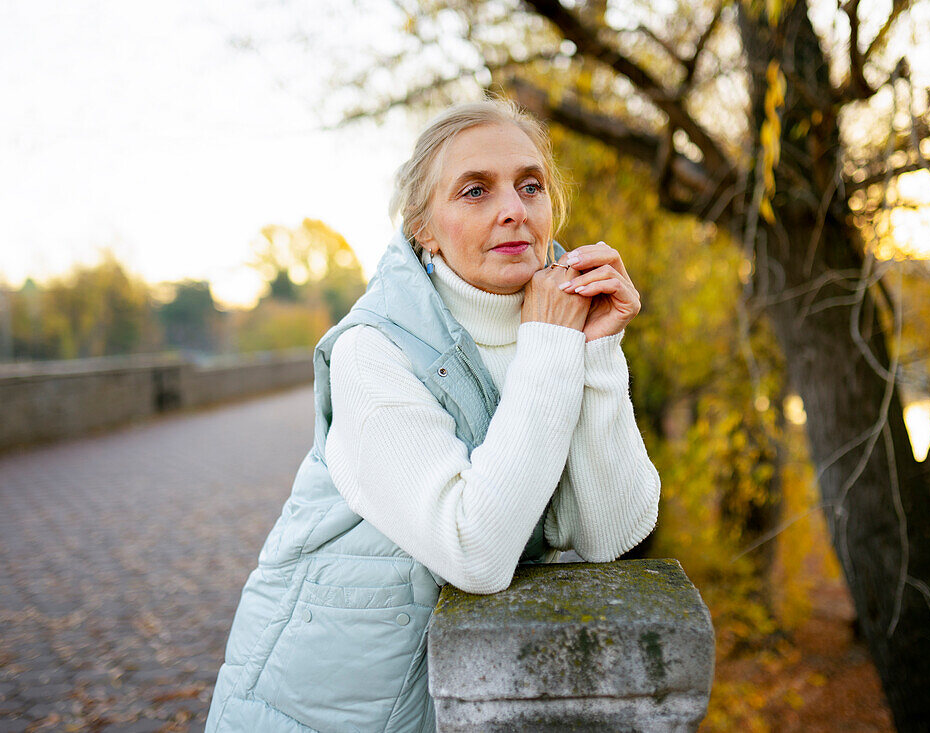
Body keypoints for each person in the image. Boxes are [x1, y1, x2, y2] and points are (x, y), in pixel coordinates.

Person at [205, 98, 661, 733]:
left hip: (461, 699)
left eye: (531, 185)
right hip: (323, 709)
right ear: (423, 228)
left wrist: (598, 348)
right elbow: (475, 550)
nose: (514, 210)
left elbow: (613, 533)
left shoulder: (559, 317)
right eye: (475, 191)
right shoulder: (373, 351)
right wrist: (554, 346)